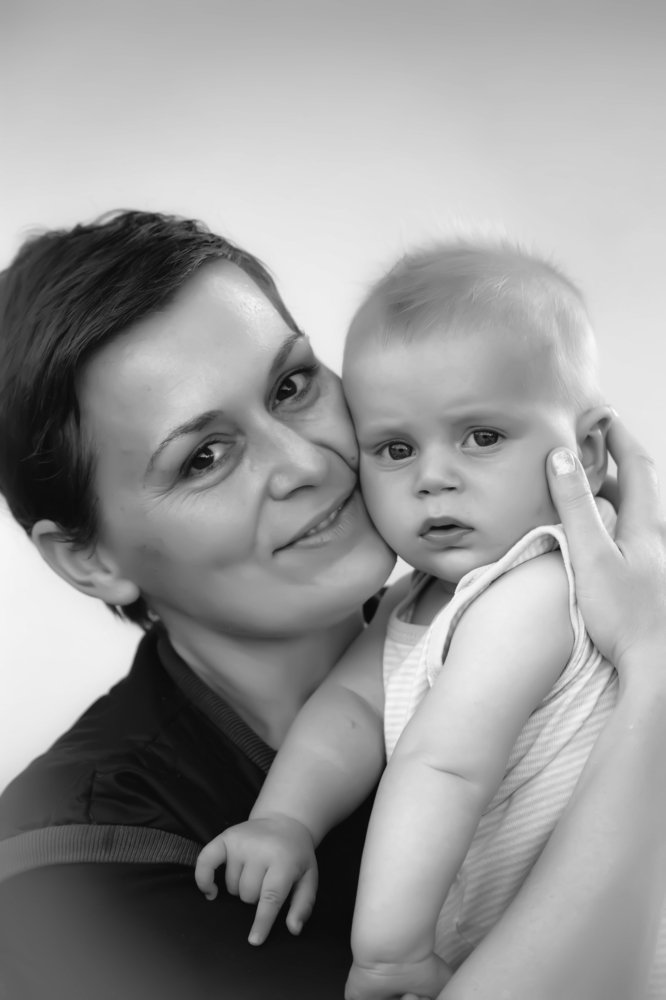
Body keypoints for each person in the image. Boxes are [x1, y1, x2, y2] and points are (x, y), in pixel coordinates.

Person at [0, 213, 664, 1000]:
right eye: (203, 457)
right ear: (90, 559)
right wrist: (654, 671)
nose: (306, 464)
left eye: (290, 386)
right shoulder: (71, 880)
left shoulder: (477, 607)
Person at [194, 240, 666, 1000]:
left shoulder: (539, 584)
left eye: (482, 437)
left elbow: (445, 764)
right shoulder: (418, 597)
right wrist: (285, 820)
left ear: (584, 451)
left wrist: (388, 950)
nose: (433, 478)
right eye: (395, 448)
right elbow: (349, 710)